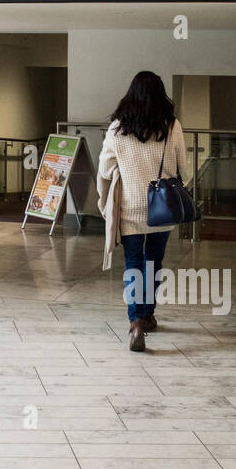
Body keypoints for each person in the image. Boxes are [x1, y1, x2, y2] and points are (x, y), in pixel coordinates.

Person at [97, 70, 187, 352]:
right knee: (154, 261)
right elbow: (184, 168)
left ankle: (135, 321)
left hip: (129, 207)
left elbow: (104, 170)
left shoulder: (117, 128)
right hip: (161, 207)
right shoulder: (171, 126)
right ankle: (147, 314)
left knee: (133, 263)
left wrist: (103, 203)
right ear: (161, 95)